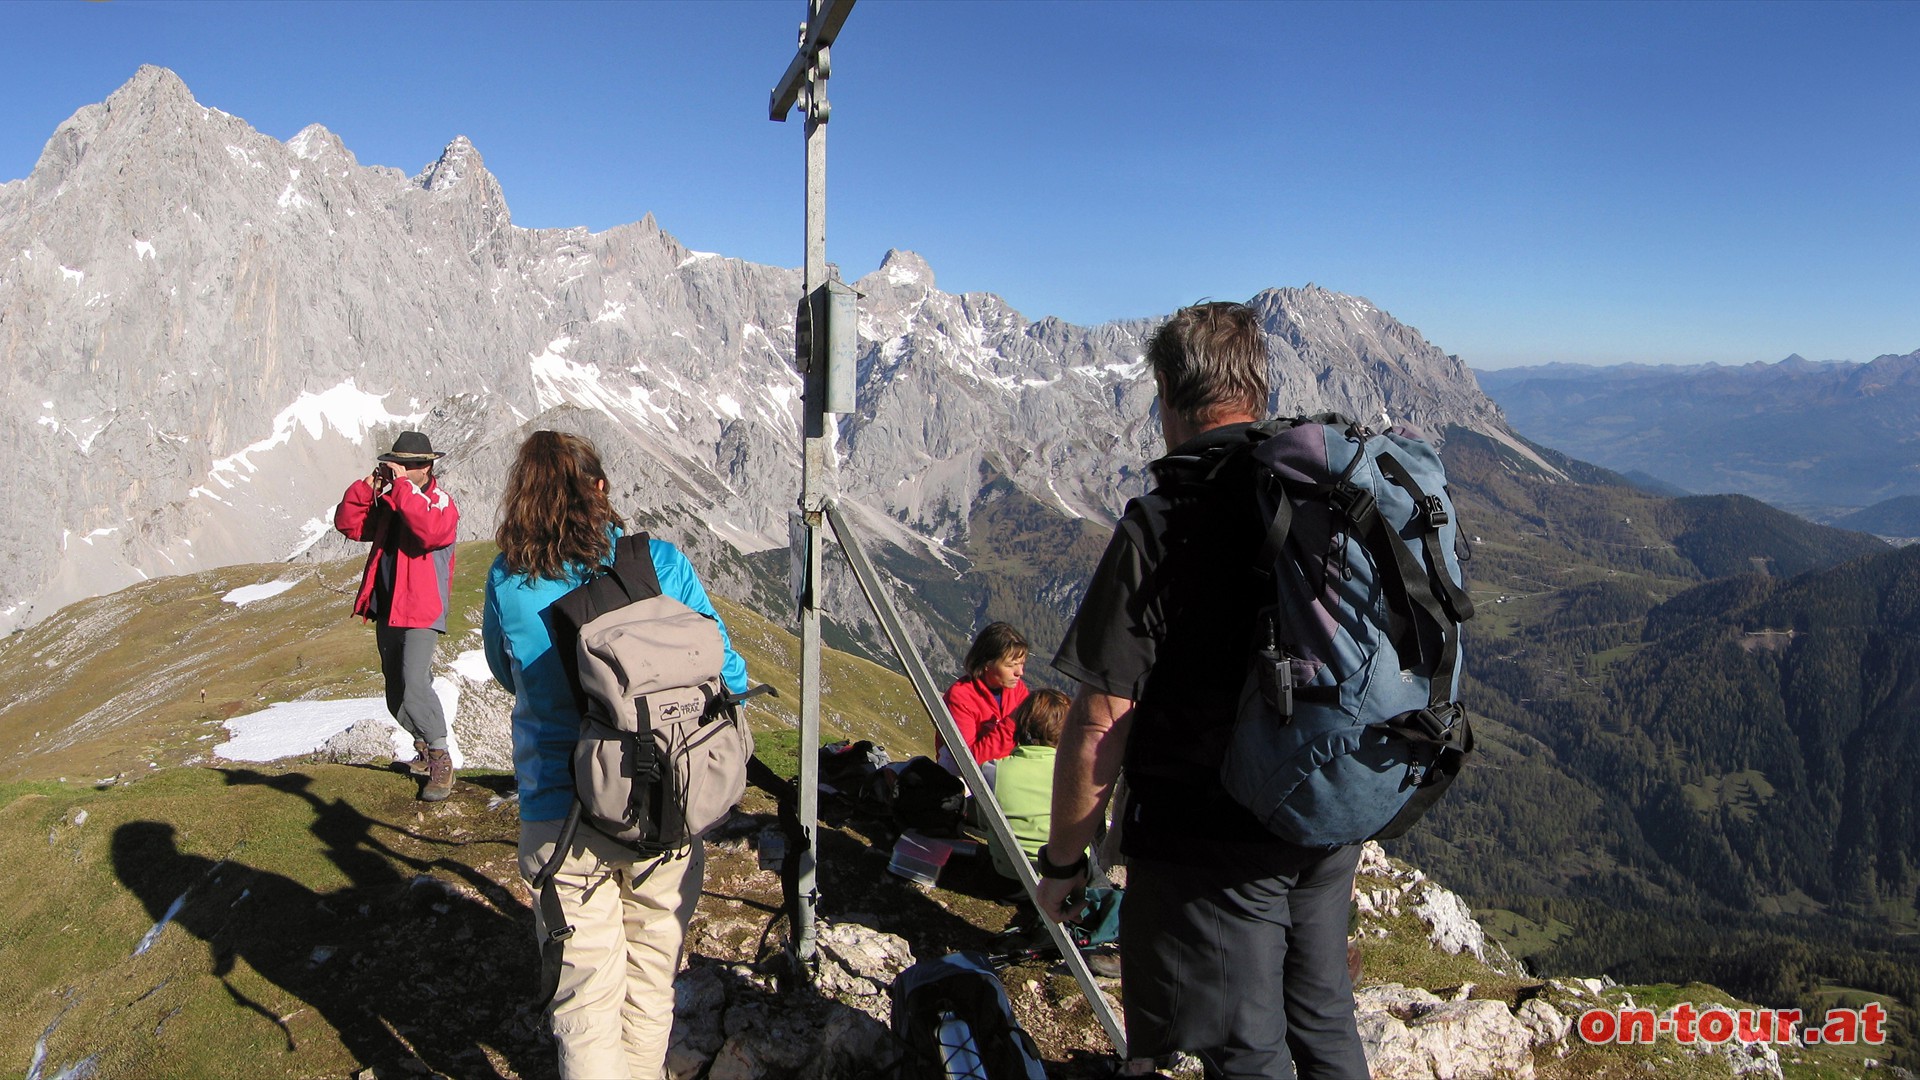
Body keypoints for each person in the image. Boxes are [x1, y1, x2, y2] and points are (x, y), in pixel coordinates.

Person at [1036, 302, 1371, 1079]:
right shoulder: (1321, 495)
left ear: (1170, 399)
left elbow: (1098, 723)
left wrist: (1062, 864)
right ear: (1255, 387)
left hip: (1215, 833)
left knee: (1242, 1048)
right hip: (1325, 813)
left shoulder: (1164, 519)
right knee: (1322, 1019)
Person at [481, 430, 748, 1080]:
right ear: (600, 489)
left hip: (562, 819)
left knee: (586, 1000)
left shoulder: (507, 580)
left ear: (521, 502)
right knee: (652, 979)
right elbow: (730, 675)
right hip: (664, 800)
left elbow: (503, 671)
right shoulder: (657, 561)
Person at [334, 430, 460, 802]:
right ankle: (422, 747)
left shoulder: (440, 501)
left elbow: (430, 531)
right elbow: (350, 524)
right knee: (395, 689)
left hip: (421, 608)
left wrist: (401, 488)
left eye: (414, 465)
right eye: (400, 464)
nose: (406, 470)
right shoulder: (392, 498)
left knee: (415, 679)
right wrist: (368, 486)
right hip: (389, 604)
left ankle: (440, 757)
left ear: (428, 466)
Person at [988, 688, 1070, 880]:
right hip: (1059, 881)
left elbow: (984, 822)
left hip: (1007, 875)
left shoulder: (993, 770)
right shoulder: (1072, 777)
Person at [938, 621, 1032, 782]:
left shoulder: (1017, 690)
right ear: (987, 664)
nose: (1019, 672)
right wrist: (1011, 723)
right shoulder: (961, 697)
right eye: (1011, 665)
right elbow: (968, 761)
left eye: (1022, 664)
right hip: (964, 781)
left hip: (1006, 773)